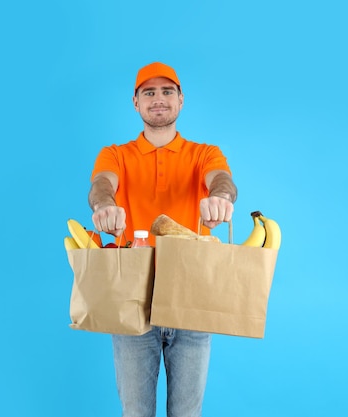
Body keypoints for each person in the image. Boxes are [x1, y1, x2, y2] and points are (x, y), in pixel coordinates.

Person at [88, 62, 238, 417]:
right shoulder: (115, 155)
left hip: (191, 295)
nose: (159, 99)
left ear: (181, 100)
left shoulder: (204, 153)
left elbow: (222, 180)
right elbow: (101, 186)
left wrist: (222, 198)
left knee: (187, 414)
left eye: (167, 91)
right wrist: (104, 206)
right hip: (132, 297)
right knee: (136, 413)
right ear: (135, 103)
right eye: (149, 93)